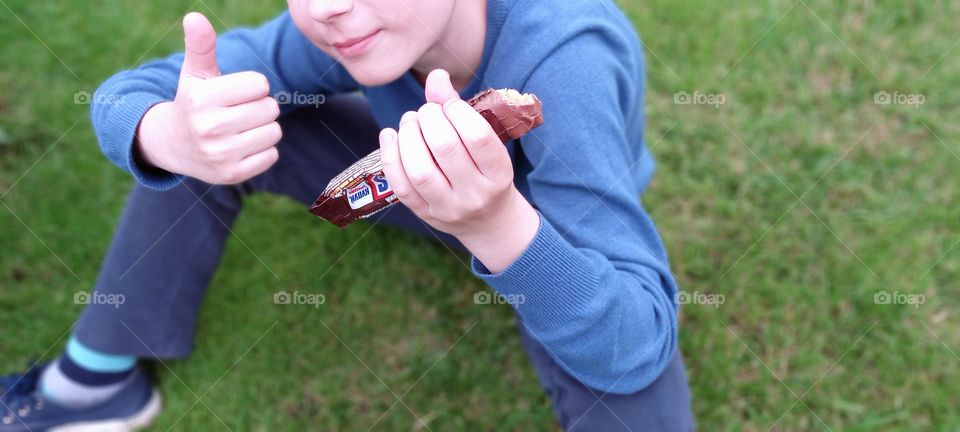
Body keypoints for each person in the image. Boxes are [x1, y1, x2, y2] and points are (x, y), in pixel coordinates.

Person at [0, 0, 695, 430]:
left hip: (545, 227)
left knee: (634, 400)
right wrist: (169, 135)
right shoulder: (348, 26)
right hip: (418, 174)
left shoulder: (563, 56)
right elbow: (137, 91)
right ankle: (95, 380)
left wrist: (493, 225)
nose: (328, 6)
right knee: (220, 124)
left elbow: (633, 347)